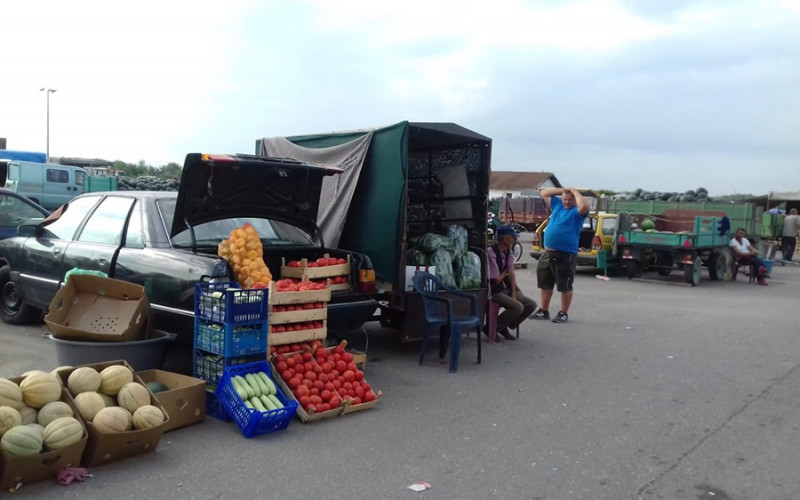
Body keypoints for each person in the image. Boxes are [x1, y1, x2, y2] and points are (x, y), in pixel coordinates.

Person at [531, 187, 590, 323]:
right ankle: (544, 311)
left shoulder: (577, 212)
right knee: (545, 283)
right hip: (548, 252)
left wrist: (575, 192)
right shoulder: (558, 206)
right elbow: (544, 192)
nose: (567, 202)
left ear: (575, 200)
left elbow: (585, 205)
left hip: (566, 253)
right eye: (565, 199)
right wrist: (564, 190)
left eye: (570, 200)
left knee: (565, 285)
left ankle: (563, 313)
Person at [487, 225, 537, 341]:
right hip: (495, 290)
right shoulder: (491, 252)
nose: (514, 240)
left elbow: (512, 273)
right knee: (518, 307)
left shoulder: (508, 251)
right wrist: (506, 270)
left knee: (531, 304)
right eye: (512, 237)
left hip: (506, 288)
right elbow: (497, 279)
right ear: (505, 239)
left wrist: (514, 292)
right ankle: (492, 327)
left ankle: (505, 325)